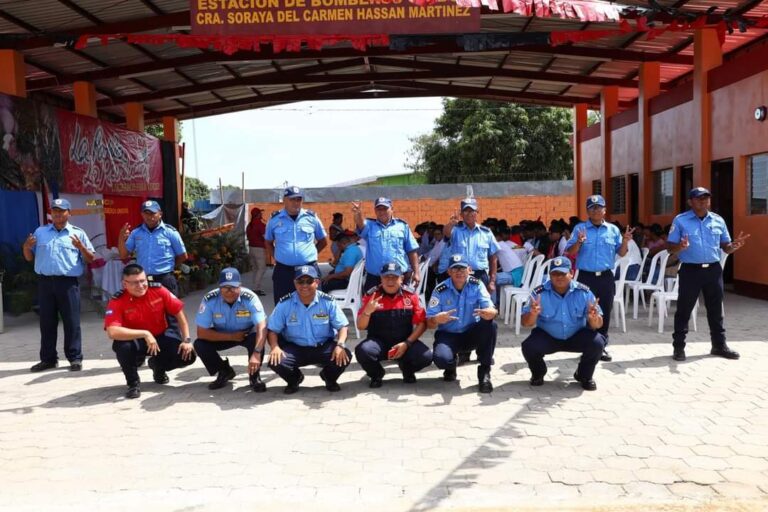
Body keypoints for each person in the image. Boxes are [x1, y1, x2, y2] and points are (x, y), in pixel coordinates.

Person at [666, 187, 750, 362]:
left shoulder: (718, 220)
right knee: (684, 310)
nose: (703, 201)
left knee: (715, 309)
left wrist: (734, 246)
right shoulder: (681, 220)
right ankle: (679, 347)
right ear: (690, 202)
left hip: (713, 270)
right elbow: (670, 248)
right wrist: (680, 246)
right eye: (699, 198)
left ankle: (719, 345)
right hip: (691, 271)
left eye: (706, 198)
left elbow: (726, 246)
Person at [22, 198, 95, 372]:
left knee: (71, 322)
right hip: (45, 283)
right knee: (47, 323)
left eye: (61, 211)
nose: (57, 214)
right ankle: (48, 359)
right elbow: (29, 257)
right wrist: (26, 247)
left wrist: (81, 247)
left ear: (69, 213)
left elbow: (91, 258)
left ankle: (74, 358)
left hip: (67, 283)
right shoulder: (40, 232)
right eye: (55, 211)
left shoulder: (78, 233)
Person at [104, 264, 196, 399]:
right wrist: (145, 334)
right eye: (135, 283)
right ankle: (133, 383)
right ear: (124, 284)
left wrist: (187, 340)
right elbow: (112, 332)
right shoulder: (117, 300)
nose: (140, 286)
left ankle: (158, 366)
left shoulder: (159, 290)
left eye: (143, 281)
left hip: (160, 337)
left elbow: (179, 314)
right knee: (122, 347)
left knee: (188, 355)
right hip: (135, 340)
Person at [520, 257, 606, 391]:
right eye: (555, 274)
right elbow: (525, 323)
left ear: (571, 273)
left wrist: (593, 318)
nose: (559, 277)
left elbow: (598, 325)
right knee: (528, 346)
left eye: (563, 273)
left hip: (576, 335)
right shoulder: (538, 293)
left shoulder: (584, 293)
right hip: (548, 336)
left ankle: (584, 375)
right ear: (550, 276)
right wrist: (533, 314)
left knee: (598, 342)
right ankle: (538, 373)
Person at [565, 194, 631, 362]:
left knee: (604, 311)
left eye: (599, 207)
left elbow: (622, 253)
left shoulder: (613, 230)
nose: (596, 210)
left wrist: (625, 241)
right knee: (585, 311)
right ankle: (587, 346)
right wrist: (579, 242)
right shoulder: (579, 229)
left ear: (604, 210)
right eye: (592, 208)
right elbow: (570, 252)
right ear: (587, 211)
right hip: (586, 277)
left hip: (605, 277)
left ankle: (601, 346)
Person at [266, 265, 351, 394]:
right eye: (300, 281)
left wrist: (340, 344)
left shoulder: (327, 302)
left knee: (345, 355)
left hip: (323, 346)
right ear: (295, 283)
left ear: (317, 282)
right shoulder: (285, 303)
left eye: (309, 281)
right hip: (295, 348)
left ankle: (329, 377)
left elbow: (342, 326)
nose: (304, 285)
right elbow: (272, 330)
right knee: (276, 361)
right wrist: (274, 347)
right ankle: (294, 379)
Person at [427, 254, 498, 393]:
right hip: (448, 335)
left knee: (491, 325)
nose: (459, 272)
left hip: (471, 333)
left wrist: (492, 312)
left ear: (469, 270)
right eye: (455, 269)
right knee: (441, 359)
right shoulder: (440, 290)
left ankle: (484, 372)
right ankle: (450, 366)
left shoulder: (477, 285)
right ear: (449, 271)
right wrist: (435, 319)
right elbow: (429, 323)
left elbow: (490, 308)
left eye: (462, 268)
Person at [355, 262, 432, 388]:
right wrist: (367, 312)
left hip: (404, 343)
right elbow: (360, 326)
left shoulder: (410, 296)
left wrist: (407, 343)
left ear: (401, 279)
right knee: (363, 351)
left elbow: (422, 323)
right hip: (378, 343)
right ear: (381, 278)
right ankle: (376, 374)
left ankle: (407, 370)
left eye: (394, 277)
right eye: (386, 277)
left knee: (426, 356)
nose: (390, 281)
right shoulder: (372, 296)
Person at [193, 267, 268, 391]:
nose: (229, 291)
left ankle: (254, 377)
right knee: (200, 344)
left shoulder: (250, 298)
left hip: (246, 333)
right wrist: (232, 337)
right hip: (223, 334)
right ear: (219, 287)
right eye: (225, 287)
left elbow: (262, 326)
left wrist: (257, 353)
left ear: (240, 286)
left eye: (233, 287)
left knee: (257, 338)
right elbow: (201, 332)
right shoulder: (209, 300)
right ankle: (224, 371)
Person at [265, 186, 328, 303]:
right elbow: (268, 242)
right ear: (284, 200)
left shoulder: (311, 218)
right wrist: (278, 257)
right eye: (292, 199)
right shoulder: (274, 219)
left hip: (309, 269)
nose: (296, 202)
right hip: (284, 271)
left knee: (313, 304)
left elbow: (323, 241)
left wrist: (309, 254)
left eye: (299, 199)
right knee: (283, 304)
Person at [118, 200, 188, 295]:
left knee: (168, 305)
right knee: (145, 305)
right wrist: (121, 239)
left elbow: (183, 255)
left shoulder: (170, 232)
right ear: (142, 214)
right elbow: (123, 255)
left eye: (153, 213)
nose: (149, 216)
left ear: (160, 214)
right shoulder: (136, 233)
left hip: (165, 280)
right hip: (144, 281)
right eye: (146, 213)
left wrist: (169, 267)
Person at [352, 197, 420, 291]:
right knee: (372, 301)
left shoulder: (402, 226)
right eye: (379, 209)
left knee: (401, 301)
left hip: (398, 278)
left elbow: (411, 251)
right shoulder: (370, 225)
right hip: (375, 278)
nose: (382, 212)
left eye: (385, 208)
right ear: (375, 211)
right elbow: (360, 224)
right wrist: (358, 213)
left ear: (392, 209)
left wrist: (416, 272)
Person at [443, 198, 499, 294]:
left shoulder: (486, 233)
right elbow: (446, 234)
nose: (469, 214)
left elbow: (493, 258)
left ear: (477, 212)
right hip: (460, 274)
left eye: (472, 211)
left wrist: (492, 281)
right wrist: (452, 223)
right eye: (466, 211)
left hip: (480, 275)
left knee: (480, 303)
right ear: (461, 214)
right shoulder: (455, 230)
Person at [245, 207, 268, 296]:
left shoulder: (249, 225)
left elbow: (248, 236)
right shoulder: (260, 224)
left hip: (251, 248)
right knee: (261, 268)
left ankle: (255, 287)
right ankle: (256, 288)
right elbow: (266, 237)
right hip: (259, 249)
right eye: (260, 213)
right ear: (258, 215)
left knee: (255, 269)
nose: (261, 214)